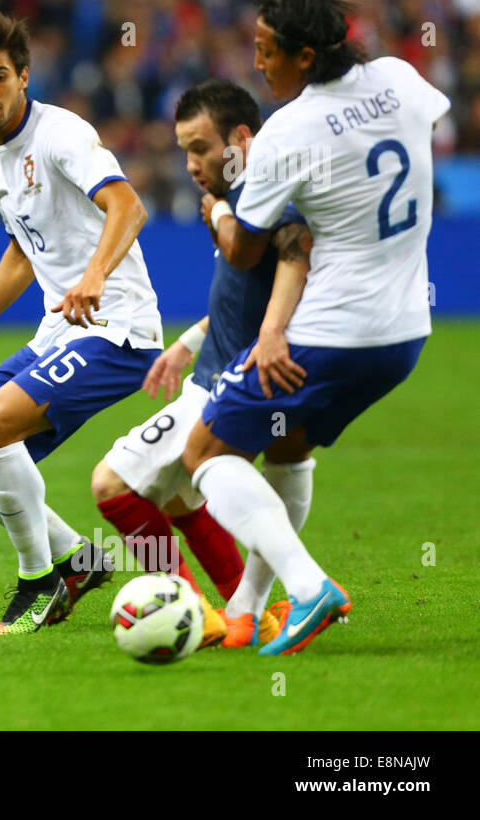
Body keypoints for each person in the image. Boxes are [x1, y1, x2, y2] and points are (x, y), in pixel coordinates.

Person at [182, 0, 449, 655]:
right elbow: (428, 124)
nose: (258, 61)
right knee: (287, 446)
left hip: (331, 334)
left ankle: (310, 587)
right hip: (405, 333)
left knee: (206, 454)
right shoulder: (400, 78)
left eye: (267, 50)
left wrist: (214, 205)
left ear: (306, 55)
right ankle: (247, 608)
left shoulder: (289, 131)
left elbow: (244, 251)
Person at [0, 11, 164, 636]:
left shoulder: (61, 134)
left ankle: (38, 582)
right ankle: (79, 560)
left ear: (23, 76)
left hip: (118, 328)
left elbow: (128, 205)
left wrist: (96, 275)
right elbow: (25, 251)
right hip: (58, 332)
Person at [91, 79, 315, 650]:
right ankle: (251, 611)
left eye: (199, 148)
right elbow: (249, 296)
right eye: (184, 149)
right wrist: (188, 342)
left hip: (226, 385)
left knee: (111, 483)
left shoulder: (256, 199)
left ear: (240, 138)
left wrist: (218, 216)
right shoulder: (246, 194)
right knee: (175, 498)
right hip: (213, 370)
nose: (190, 164)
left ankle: (192, 610)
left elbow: (291, 269)